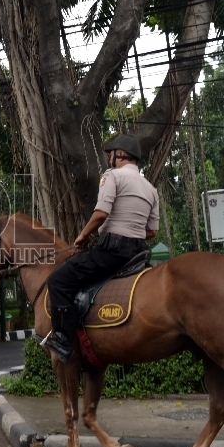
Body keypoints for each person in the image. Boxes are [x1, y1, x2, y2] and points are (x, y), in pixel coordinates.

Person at [43, 134, 159, 362]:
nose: (109, 159)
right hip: (137, 254)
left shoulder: (112, 176)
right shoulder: (150, 188)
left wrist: (83, 236)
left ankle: (63, 340)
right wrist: (131, 233)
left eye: (111, 154)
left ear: (120, 155)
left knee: (58, 280)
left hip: (113, 252)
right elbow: (153, 231)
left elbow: (102, 213)